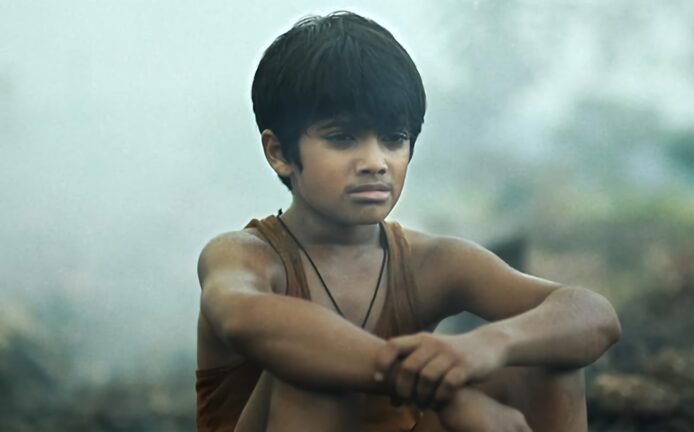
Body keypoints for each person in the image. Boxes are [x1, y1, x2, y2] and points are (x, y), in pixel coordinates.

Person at [195, 11, 621, 432]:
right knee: (311, 372)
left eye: (393, 139)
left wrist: (486, 346)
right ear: (279, 153)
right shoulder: (245, 255)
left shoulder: (429, 262)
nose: (375, 162)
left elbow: (593, 314)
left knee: (546, 361)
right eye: (342, 138)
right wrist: (447, 393)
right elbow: (242, 316)